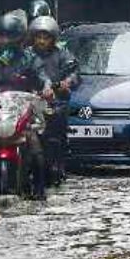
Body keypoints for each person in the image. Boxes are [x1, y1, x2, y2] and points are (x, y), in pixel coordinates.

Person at [0, 12, 53, 200]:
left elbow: (42, 77)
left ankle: (39, 189)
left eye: (5, 36)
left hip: (21, 112)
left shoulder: (28, 59)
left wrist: (47, 87)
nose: (0, 40)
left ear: (17, 39)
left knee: (38, 137)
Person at [28, 15, 79, 184]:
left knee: (57, 124)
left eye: (46, 37)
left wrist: (67, 82)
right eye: (38, 37)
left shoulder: (62, 54)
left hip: (55, 101)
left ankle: (58, 162)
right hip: (29, 100)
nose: (42, 41)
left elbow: (74, 73)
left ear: (53, 38)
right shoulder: (26, 55)